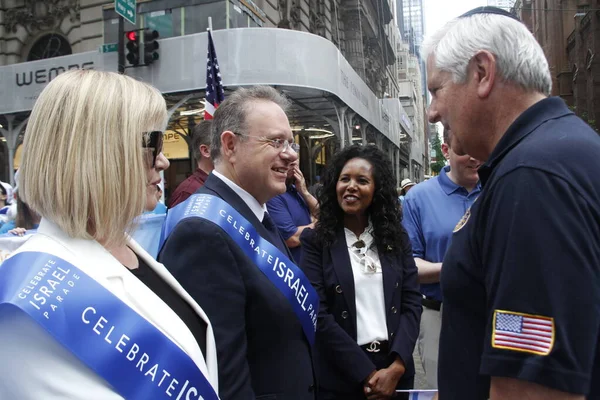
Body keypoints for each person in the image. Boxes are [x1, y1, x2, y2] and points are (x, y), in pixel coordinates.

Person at [0, 70, 219, 399]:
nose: (162, 161)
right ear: (98, 155)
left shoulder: (124, 244)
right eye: (153, 143)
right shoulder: (28, 306)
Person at [423, 6, 600, 399]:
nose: (432, 111)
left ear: (482, 73)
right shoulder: (550, 155)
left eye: (436, 89)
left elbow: (532, 386)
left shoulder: (531, 178)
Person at [159, 86, 317, 400]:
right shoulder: (202, 233)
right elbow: (224, 380)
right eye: (275, 141)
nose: (290, 154)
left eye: (290, 142)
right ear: (230, 145)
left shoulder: (257, 211)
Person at [300, 144, 422, 400]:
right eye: (345, 179)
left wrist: (397, 365)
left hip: (395, 371)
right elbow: (317, 313)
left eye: (362, 180)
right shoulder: (316, 240)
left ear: (376, 190)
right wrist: (366, 372)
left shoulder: (396, 237)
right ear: (334, 185)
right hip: (342, 375)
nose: (351, 186)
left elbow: (411, 302)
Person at [401, 127, 481, 388]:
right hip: (438, 316)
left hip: (492, 313)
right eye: (464, 150)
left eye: (479, 148)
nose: (474, 157)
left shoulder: (499, 190)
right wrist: (456, 268)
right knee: (444, 389)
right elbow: (409, 263)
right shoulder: (418, 198)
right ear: (445, 151)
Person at [267, 160, 318, 263]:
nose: (293, 162)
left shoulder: (296, 188)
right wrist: (321, 224)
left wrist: (304, 192)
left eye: (295, 158)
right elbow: (292, 238)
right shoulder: (273, 195)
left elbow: (320, 212)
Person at [169, 120, 214, 207]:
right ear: (206, 150)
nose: (229, 149)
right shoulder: (188, 192)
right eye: (221, 143)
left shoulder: (216, 185)